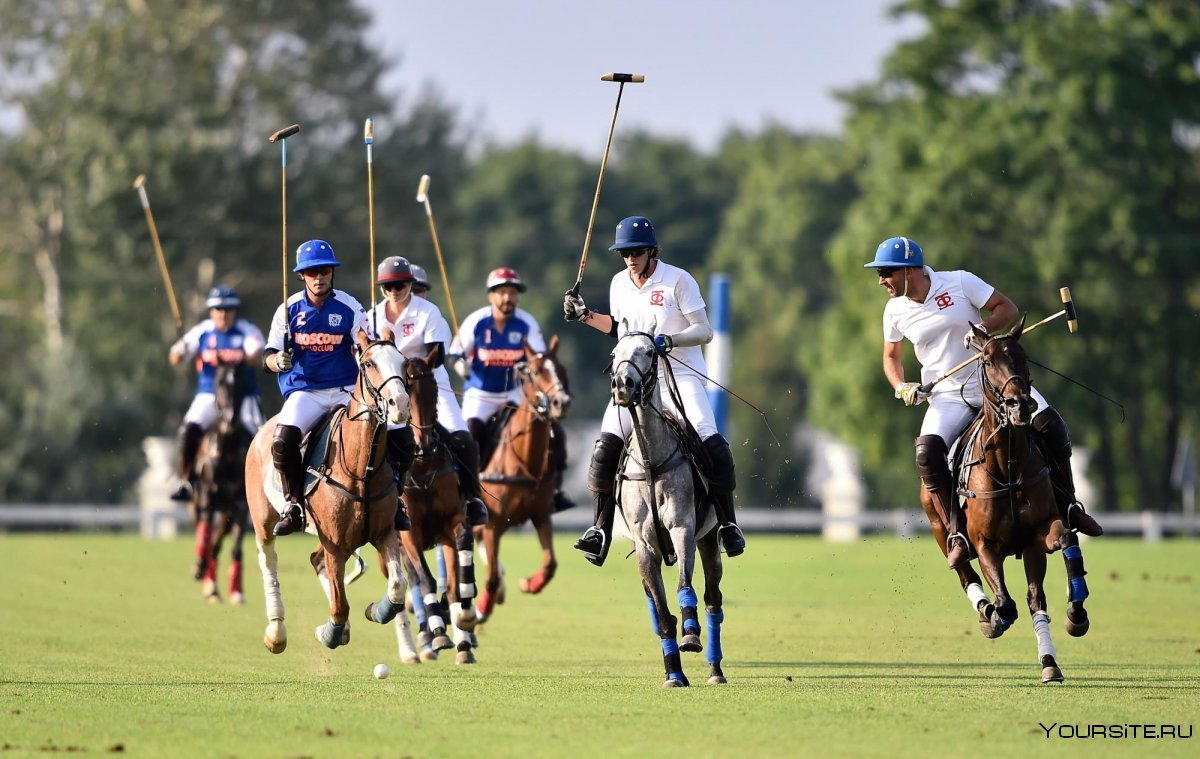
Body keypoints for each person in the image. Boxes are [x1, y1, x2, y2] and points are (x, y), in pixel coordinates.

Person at [865, 236, 1103, 570]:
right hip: (948, 397)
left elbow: (1006, 308)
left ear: (909, 269)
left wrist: (981, 329)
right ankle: (958, 535)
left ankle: (1069, 506)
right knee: (927, 453)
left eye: (886, 272)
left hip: (993, 384)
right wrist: (901, 386)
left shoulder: (960, 282)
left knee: (1052, 426)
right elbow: (891, 357)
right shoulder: (895, 310)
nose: (881, 281)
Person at [562, 215, 745, 566]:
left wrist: (669, 340)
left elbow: (704, 330)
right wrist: (584, 315)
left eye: (636, 251)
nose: (630, 258)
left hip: (680, 374)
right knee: (605, 447)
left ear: (650, 250)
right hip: (635, 381)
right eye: (624, 252)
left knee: (712, 442)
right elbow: (619, 329)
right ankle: (599, 530)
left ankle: (726, 524)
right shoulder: (619, 284)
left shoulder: (678, 280)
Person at [262, 240, 378, 537]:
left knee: (390, 431)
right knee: (283, 440)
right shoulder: (288, 310)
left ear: (331, 273)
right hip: (306, 392)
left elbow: (368, 343)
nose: (319, 277)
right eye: (312, 272)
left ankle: (398, 501)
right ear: (302, 275)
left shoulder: (350, 306)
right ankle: (294, 505)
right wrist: (279, 360)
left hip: (345, 390)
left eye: (324, 270)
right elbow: (267, 357)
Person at [372, 256, 487, 527]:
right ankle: (390, 499)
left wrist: (417, 366)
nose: (393, 291)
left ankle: (472, 498)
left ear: (410, 284)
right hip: (391, 388)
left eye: (399, 284)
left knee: (461, 436)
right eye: (387, 286)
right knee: (380, 444)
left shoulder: (427, 312)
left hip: (430, 383)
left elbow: (437, 353)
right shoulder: (373, 316)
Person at [448, 267, 575, 513]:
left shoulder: (526, 322)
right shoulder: (477, 321)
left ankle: (555, 489)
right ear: (491, 296)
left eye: (512, 293)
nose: (508, 298)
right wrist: (460, 364)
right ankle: (467, 492)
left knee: (553, 431)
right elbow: (454, 352)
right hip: (481, 393)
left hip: (516, 393)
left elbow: (540, 356)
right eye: (502, 292)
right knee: (469, 435)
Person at [168, 286, 265, 501]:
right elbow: (173, 358)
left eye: (228, 309)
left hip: (243, 395)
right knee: (187, 430)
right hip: (209, 394)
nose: (223, 314)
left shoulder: (247, 331)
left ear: (235, 311)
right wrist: (181, 351)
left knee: (260, 435)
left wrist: (238, 359)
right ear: (211, 311)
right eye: (218, 309)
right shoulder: (202, 331)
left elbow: (258, 355)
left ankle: (264, 487)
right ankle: (186, 480)